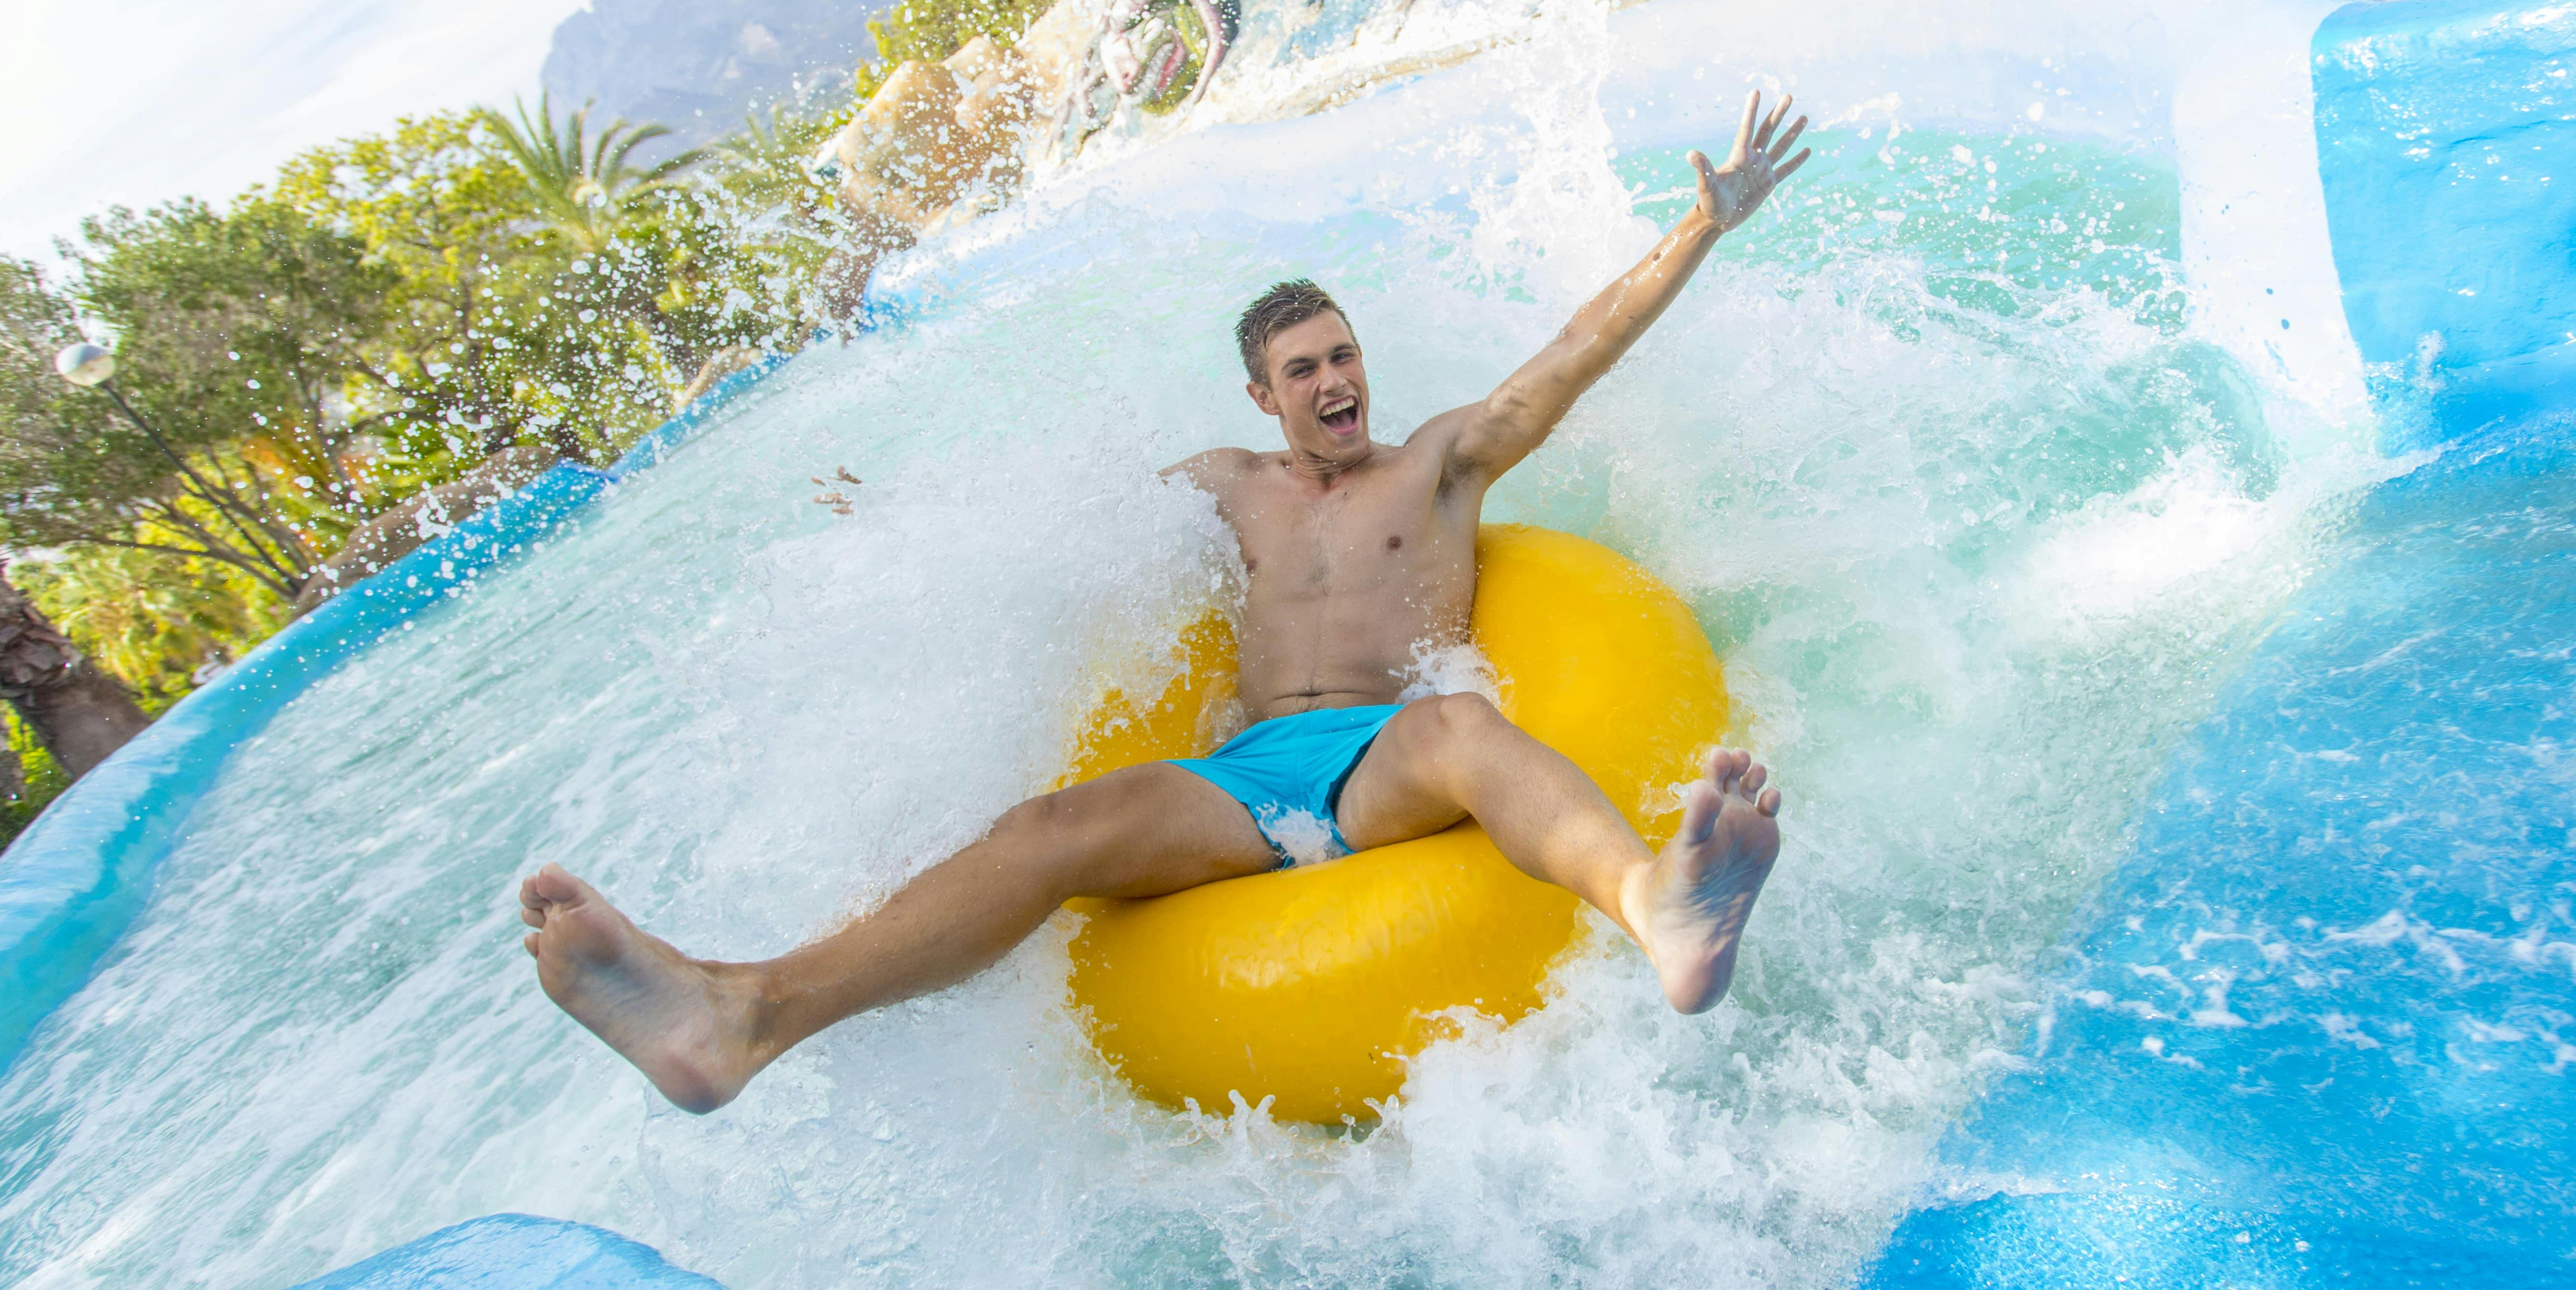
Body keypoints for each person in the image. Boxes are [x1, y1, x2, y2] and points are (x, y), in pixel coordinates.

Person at [519, 92, 1813, 1114]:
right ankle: (742, 1015)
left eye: (1345, 354)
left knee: (1458, 732)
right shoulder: (1225, 487)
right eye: (1304, 368)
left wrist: (1700, 229)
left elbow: (1567, 361)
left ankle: (1658, 905)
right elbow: (1050, 534)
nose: (1334, 380)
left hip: (1388, 757)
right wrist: (896, 523)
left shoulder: (1440, 463)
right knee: (1046, 827)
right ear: (1262, 395)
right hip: (1246, 784)